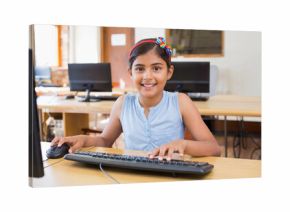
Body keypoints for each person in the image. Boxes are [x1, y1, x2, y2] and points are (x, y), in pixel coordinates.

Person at [52, 37, 221, 160]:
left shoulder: (181, 101)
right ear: (130, 73)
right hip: (132, 174)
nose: (148, 76)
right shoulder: (122, 104)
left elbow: (213, 147)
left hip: (171, 174)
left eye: (156, 68)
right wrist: (84, 140)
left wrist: (183, 145)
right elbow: (104, 140)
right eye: (140, 69)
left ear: (169, 72)